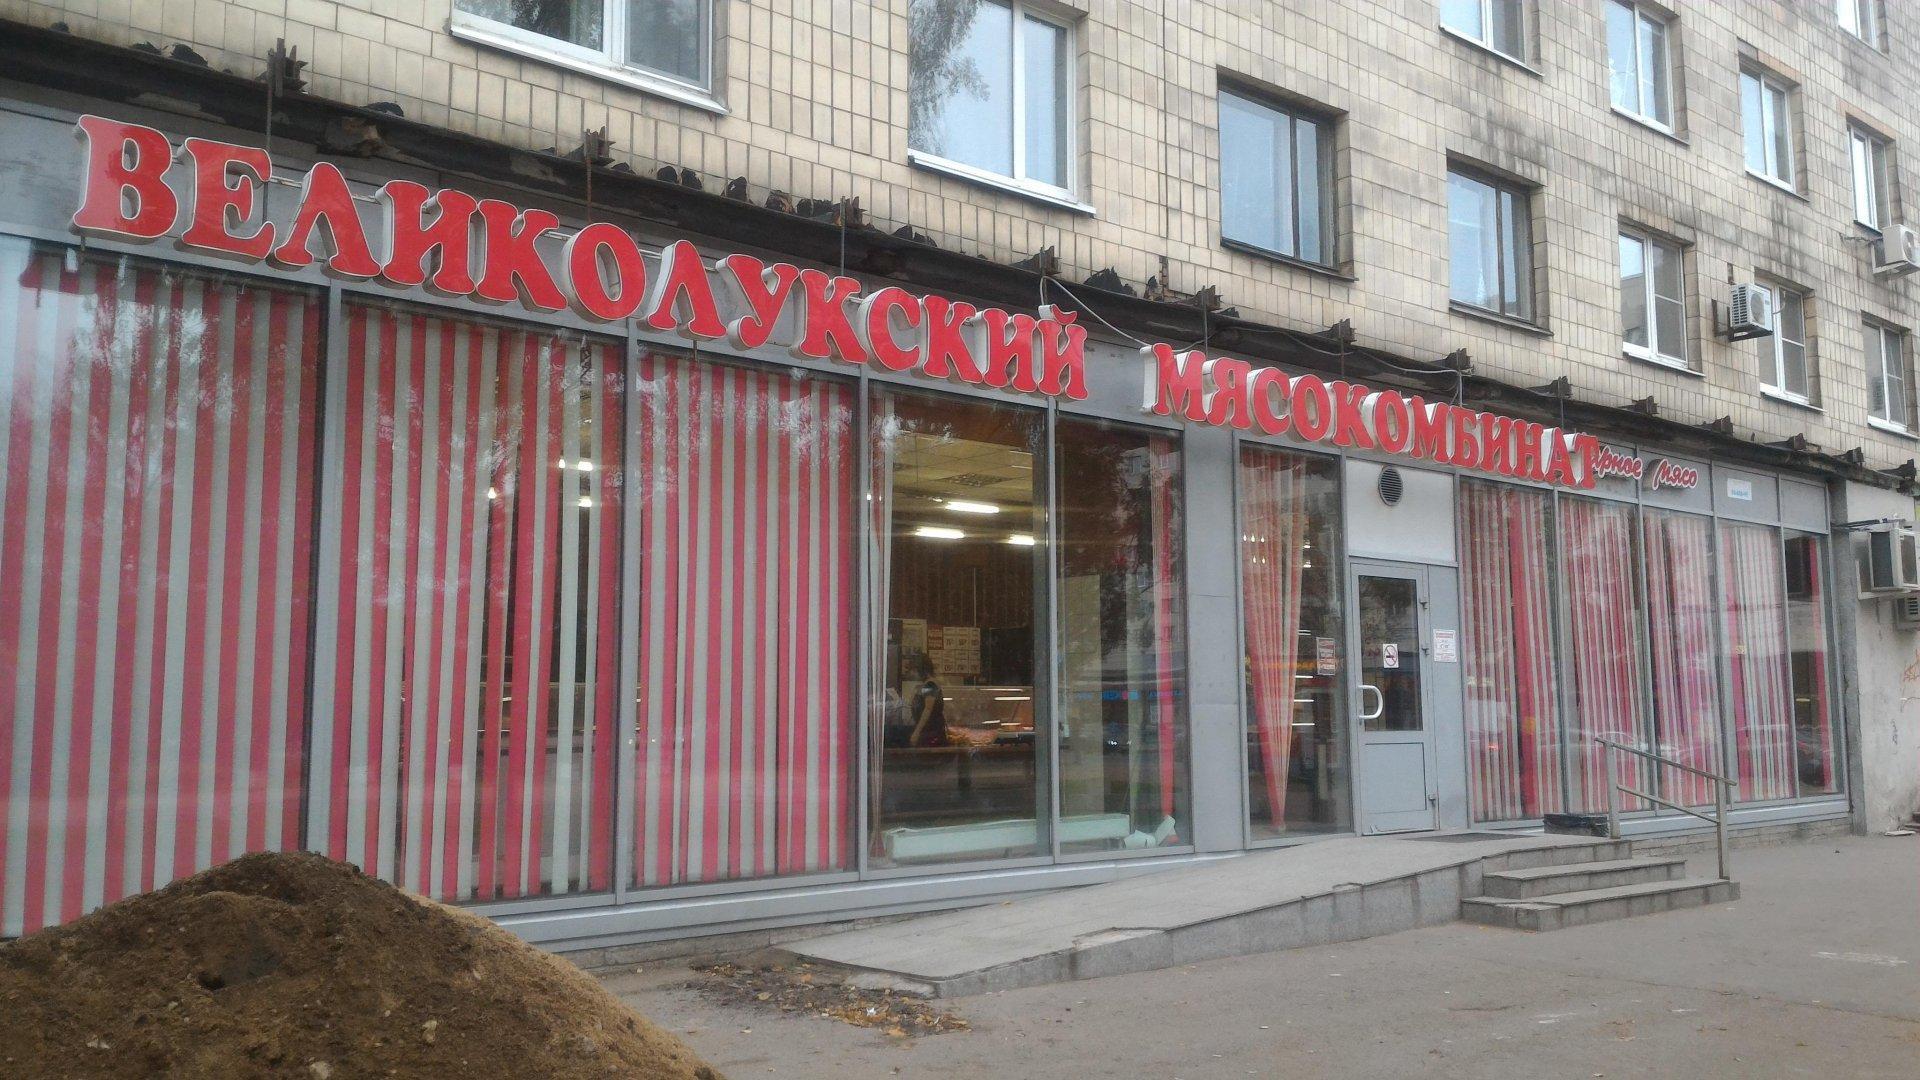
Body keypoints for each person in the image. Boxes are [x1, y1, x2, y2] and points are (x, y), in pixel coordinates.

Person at [908, 656, 949, 749]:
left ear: (921, 670)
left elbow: (928, 709)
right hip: (928, 730)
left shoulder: (930, 685)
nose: (912, 674)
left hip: (931, 731)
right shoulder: (925, 685)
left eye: (914, 670)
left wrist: (917, 732)